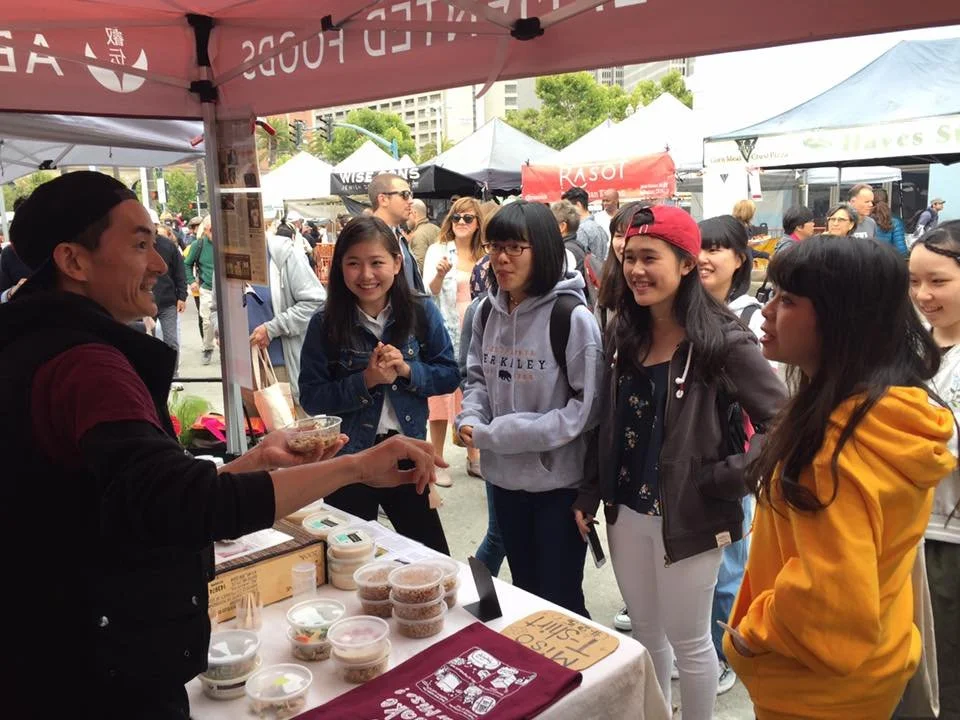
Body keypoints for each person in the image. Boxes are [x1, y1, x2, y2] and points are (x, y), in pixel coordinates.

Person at [0, 171, 443, 719]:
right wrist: (355, 467)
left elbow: (137, 495)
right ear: (73, 261)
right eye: (140, 245)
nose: (160, 264)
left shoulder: (35, 343)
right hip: (92, 667)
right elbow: (182, 505)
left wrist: (256, 459)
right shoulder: (85, 365)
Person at [724, 234, 953, 720]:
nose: (767, 312)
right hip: (877, 659)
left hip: (814, 689)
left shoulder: (832, 450)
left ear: (841, 318)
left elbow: (830, 607)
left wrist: (752, 631)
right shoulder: (892, 409)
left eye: (788, 300)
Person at [574, 205, 786, 720]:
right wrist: (590, 490)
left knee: (691, 642)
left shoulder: (722, 339)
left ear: (687, 263)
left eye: (650, 258)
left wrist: (724, 478)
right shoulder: (625, 331)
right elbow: (607, 418)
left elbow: (782, 421)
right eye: (629, 257)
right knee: (647, 634)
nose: (636, 270)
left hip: (690, 515)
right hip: (626, 510)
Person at [457, 201, 604, 616]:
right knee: (524, 590)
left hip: (558, 487)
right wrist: (471, 417)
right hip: (503, 480)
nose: (501, 258)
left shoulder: (571, 317)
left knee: (561, 599)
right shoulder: (486, 312)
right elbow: (477, 379)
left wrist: (498, 434)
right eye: (495, 246)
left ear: (542, 249)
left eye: (515, 247)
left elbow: (586, 410)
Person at [299, 216, 459, 554]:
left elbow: (449, 374)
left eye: (376, 262)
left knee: (431, 558)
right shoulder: (325, 323)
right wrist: (366, 380)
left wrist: (407, 370)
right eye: (353, 263)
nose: (366, 275)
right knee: (347, 558)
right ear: (340, 267)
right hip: (348, 458)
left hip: (407, 454)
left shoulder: (421, 311)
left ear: (397, 263)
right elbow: (312, 398)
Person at [696, 214, 765, 695]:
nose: (702, 258)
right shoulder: (684, 310)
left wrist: (742, 467)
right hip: (695, 464)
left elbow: (772, 403)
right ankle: (702, 647)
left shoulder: (753, 315)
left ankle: (726, 654)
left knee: (728, 570)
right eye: (697, 247)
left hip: (732, 461)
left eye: (715, 248)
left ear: (740, 259)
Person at [908, 221, 960, 718]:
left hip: (950, 537)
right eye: (914, 281)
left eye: (938, 281)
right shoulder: (912, 342)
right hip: (908, 530)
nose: (923, 294)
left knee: (946, 667)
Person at [423, 197, 486, 486]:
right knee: (440, 396)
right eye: (457, 217)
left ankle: (474, 456)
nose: (461, 222)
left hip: (476, 328)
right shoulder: (438, 250)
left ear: (478, 223)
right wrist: (439, 274)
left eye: (468, 218)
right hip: (444, 328)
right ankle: (437, 460)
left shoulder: (484, 252)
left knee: (472, 392)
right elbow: (429, 292)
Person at [248, 223, 326, 409]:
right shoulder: (225, 258)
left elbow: (315, 301)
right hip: (240, 370)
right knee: (249, 426)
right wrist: (219, 327)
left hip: (280, 367)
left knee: (288, 425)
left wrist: (272, 328)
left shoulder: (284, 255)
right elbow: (216, 308)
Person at [369, 173, 426, 293]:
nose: (411, 201)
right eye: (405, 195)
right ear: (383, 199)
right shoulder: (367, 238)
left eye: (411, 195)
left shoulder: (398, 235)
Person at [152, 223, 187, 367]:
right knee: (147, 340)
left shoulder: (168, 245)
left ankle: (174, 374)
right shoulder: (134, 245)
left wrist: (182, 296)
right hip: (143, 301)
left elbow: (180, 271)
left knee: (171, 341)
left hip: (167, 302)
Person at [183, 215, 217, 364]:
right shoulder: (199, 245)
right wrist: (191, 281)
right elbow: (186, 264)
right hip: (207, 289)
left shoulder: (226, 242)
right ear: (206, 230)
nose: (213, 233)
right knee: (207, 321)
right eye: (210, 230)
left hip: (226, 290)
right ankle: (208, 348)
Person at [561, 186, 608, 263]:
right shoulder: (599, 227)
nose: (566, 211)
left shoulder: (581, 229)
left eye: (567, 207)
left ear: (578, 205)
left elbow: (578, 258)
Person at [872, 187, 908, 257]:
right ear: (887, 201)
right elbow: (901, 251)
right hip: (887, 260)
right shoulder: (895, 221)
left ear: (872, 202)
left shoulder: (865, 220)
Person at [407, 198, 441, 272]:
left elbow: (419, 268)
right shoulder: (437, 229)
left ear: (414, 213)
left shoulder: (418, 235)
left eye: (408, 214)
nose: (406, 219)